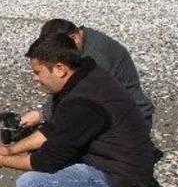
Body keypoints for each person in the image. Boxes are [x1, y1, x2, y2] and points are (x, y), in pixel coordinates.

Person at [0, 32, 156, 187]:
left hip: (123, 181)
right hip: (121, 164)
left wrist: (1, 161)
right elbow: (52, 130)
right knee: (52, 169)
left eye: (37, 72)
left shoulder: (83, 103)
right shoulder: (87, 75)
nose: (35, 79)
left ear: (60, 69)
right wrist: (9, 149)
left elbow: (45, 161)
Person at [20, 19, 155, 130]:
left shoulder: (96, 55)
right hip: (110, 108)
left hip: (133, 118)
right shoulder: (82, 44)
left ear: (74, 38)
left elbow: (79, 90)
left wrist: (43, 115)